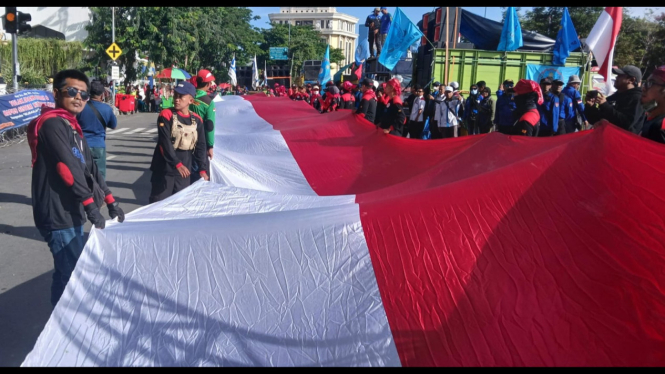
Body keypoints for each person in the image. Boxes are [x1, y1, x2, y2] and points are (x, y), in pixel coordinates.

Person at [28, 69, 125, 307]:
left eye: (83, 93)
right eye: (72, 91)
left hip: (70, 210)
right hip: (56, 211)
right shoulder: (52, 125)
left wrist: (111, 200)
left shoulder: (72, 126)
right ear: (56, 93)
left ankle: (57, 318)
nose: (79, 97)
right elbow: (67, 168)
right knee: (73, 274)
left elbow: (90, 169)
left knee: (65, 271)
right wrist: (91, 206)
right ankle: (67, 323)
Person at [149, 81, 209, 203]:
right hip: (164, 170)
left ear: (190, 101)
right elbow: (164, 142)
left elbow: (201, 146)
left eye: (181, 97)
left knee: (180, 206)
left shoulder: (197, 121)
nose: (177, 99)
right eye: (175, 95)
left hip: (184, 172)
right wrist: (177, 164)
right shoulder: (166, 115)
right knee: (158, 205)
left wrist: (203, 169)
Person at [75, 80, 118, 179]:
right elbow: (114, 125)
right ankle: (99, 193)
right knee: (99, 175)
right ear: (102, 94)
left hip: (82, 144)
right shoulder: (107, 109)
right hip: (99, 145)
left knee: (82, 174)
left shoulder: (81, 106)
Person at [586, 65, 646, 134]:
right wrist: (590, 106)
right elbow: (595, 120)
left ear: (631, 80)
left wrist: (605, 105)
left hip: (623, 143)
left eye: (620, 76)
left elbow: (626, 124)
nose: (616, 77)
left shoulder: (637, 98)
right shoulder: (614, 97)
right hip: (606, 140)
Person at [189, 70, 217, 184]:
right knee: (201, 175)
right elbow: (209, 126)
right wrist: (210, 146)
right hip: (200, 141)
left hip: (184, 139)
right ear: (208, 84)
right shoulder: (208, 102)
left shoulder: (188, 96)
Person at [640, 66, 665, 143]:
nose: (643, 88)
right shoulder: (650, 116)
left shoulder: (661, 126)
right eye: (645, 83)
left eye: (651, 83)